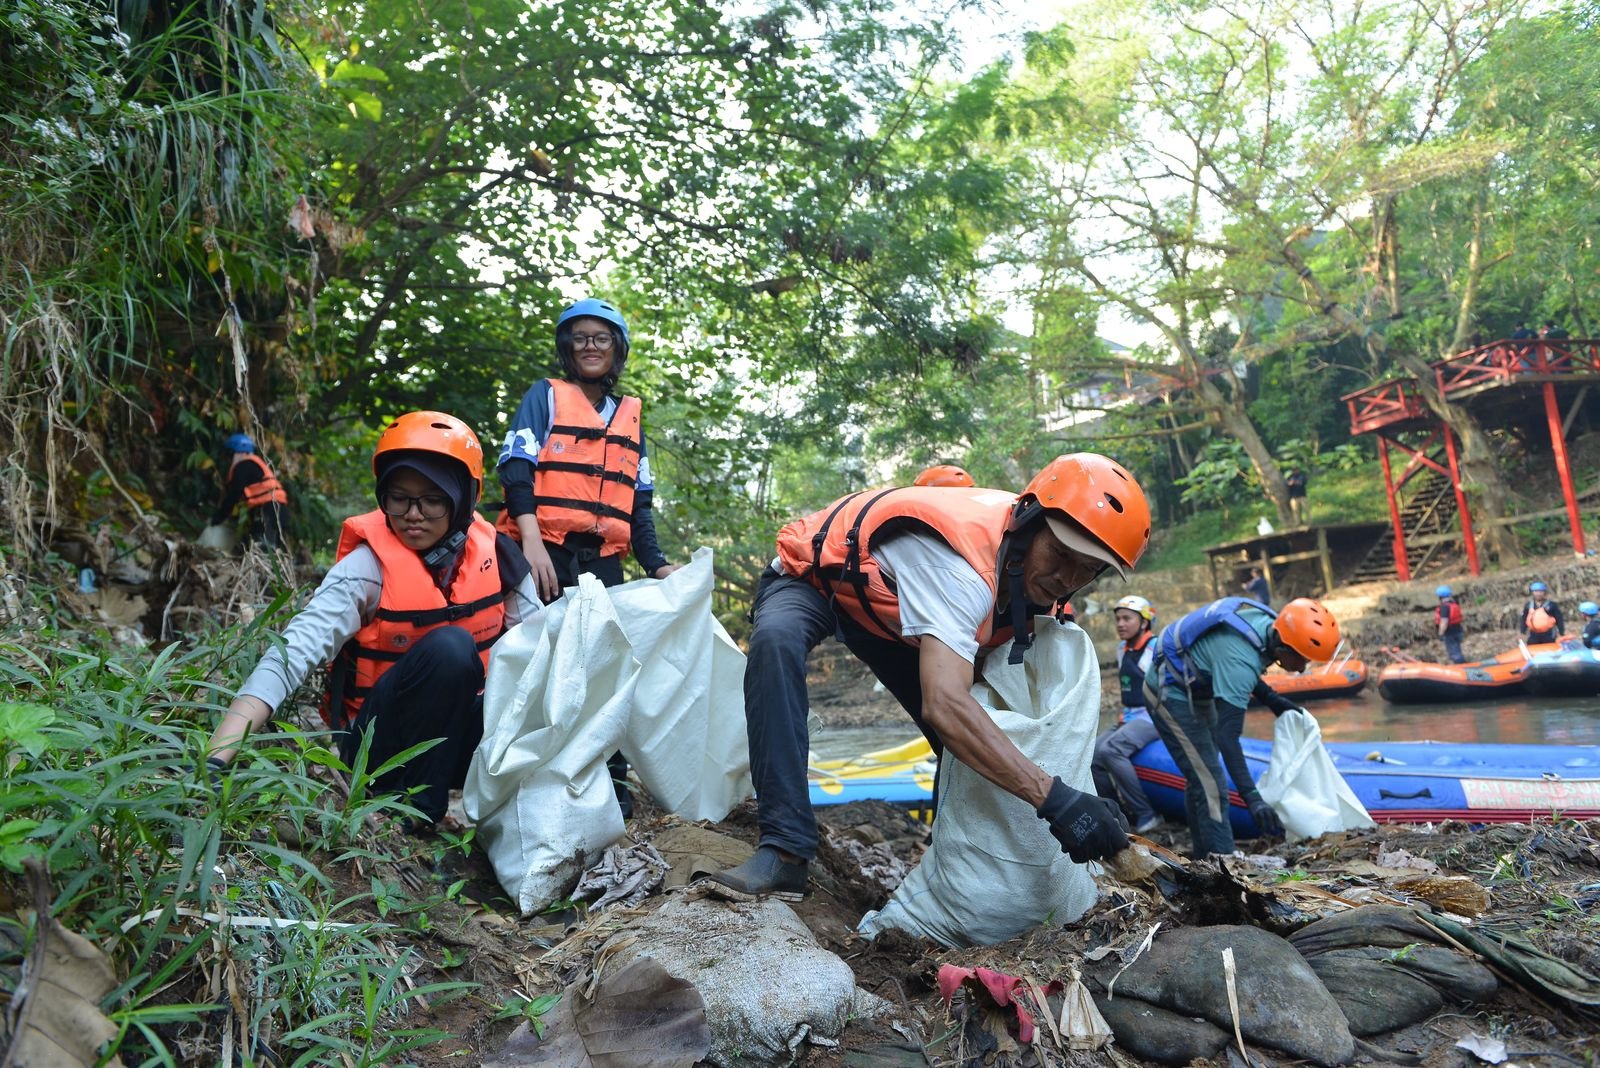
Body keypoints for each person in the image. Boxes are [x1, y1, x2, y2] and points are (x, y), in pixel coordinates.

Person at [701, 454, 1152, 900]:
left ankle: (948, 864)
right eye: (1059, 553)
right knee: (776, 643)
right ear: (1029, 521)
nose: (1065, 577)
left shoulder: (1042, 594)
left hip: (896, 618)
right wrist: (1055, 800)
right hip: (822, 580)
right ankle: (784, 851)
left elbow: (1010, 720)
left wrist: (1081, 793)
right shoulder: (960, 568)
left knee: (969, 737)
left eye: (1087, 569)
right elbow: (945, 705)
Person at [204, 412, 539, 829]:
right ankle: (417, 817)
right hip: (377, 750)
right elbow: (290, 657)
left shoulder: (500, 556)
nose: (413, 514)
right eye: (399, 497)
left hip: (463, 747)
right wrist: (217, 757)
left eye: (433, 499)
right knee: (452, 648)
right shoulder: (366, 569)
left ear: (463, 500)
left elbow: (547, 656)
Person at [496, 297, 678, 816]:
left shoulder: (630, 417)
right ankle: (529, 785)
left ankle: (610, 792)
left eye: (601, 338)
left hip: (602, 563)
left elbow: (638, 507)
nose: (590, 346)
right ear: (566, 349)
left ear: (616, 349)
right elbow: (517, 469)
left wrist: (659, 565)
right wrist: (530, 543)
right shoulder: (546, 396)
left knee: (607, 673)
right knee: (542, 668)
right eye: (580, 338)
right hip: (544, 550)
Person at [1143, 596, 1338, 858]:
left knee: (1202, 773)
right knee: (1211, 781)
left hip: (1197, 683)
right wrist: (1253, 798)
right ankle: (1223, 861)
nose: (1303, 669)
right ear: (1283, 648)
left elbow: (1242, 661)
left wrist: (1273, 700)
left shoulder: (1271, 625)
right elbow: (1228, 738)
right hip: (1167, 690)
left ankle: (1202, 855)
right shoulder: (1241, 662)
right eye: (1303, 660)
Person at [1090, 595, 1161, 834]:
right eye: (1118, 619)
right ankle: (1117, 812)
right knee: (1093, 755)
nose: (1120, 623)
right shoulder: (1122, 649)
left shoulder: (1156, 648)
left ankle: (1146, 814)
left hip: (1153, 717)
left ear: (1144, 622)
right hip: (1130, 715)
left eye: (1127, 618)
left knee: (1112, 749)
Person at [211, 433, 288, 548]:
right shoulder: (253, 464)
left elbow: (234, 494)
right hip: (276, 509)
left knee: (264, 549)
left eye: (229, 455)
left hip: (269, 511)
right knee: (269, 548)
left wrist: (218, 518)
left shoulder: (243, 465)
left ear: (237, 452)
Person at [1435, 586, 1466, 664]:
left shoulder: (1444, 607)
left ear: (1440, 597)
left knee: (1454, 652)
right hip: (1458, 630)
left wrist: (1440, 633)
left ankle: (1460, 666)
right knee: (1457, 649)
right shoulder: (1454, 604)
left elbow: (1444, 622)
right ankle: (1461, 663)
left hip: (1450, 632)